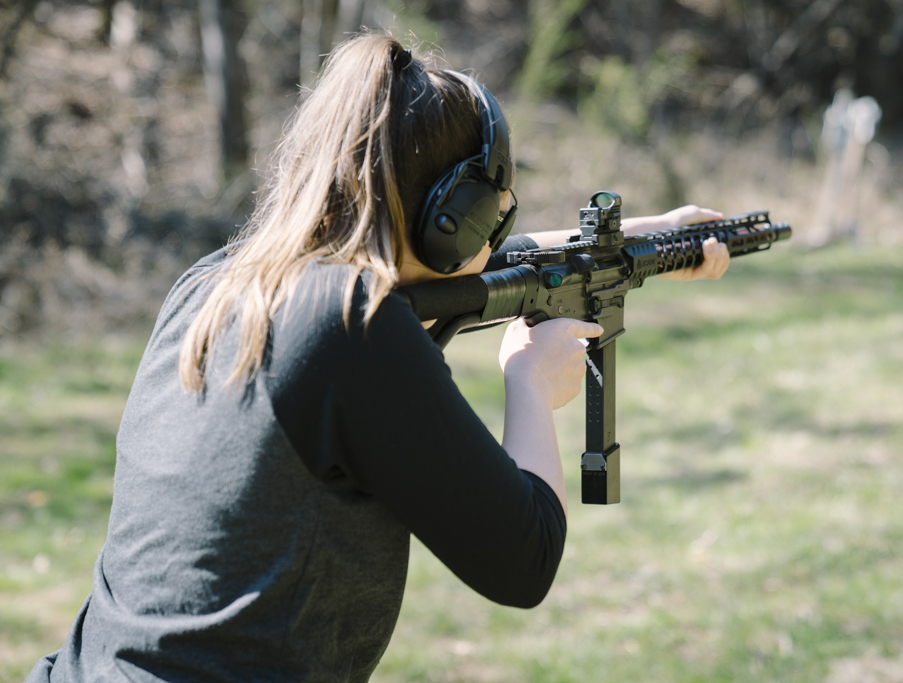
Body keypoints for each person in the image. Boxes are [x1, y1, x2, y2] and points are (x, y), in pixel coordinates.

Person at [27, 34, 729, 683]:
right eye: (496, 215)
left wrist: (639, 240)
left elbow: (445, 276)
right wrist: (531, 385)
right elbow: (524, 560)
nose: (498, 233)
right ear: (453, 216)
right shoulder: (353, 323)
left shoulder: (216, 281)